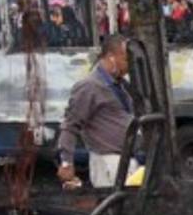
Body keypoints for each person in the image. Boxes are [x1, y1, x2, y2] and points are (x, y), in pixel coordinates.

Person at [57, 35, 138, 190]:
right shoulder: (89, 87)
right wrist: (66, 162)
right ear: (111, 58)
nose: (128, 66)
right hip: (109, 164)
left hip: (126, 160)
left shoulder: (121, 85)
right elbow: (70, 125)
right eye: (125, 60)